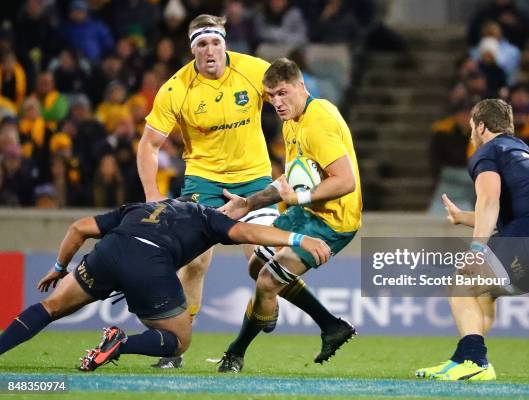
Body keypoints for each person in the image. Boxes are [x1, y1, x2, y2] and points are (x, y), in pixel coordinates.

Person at [0, 197, 330, 371]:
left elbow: (78, 228)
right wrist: (296, 238)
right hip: (150, 264)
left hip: (110, 252)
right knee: (178, 339)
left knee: (50, 307)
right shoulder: (207, 216)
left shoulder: (143, 206)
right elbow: (248, 233)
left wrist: (59, 267)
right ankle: (120, 344)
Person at [137, 13, 281, 369]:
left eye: (216, 41)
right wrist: (153, 195)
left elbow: (291, 100)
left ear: (225, 43)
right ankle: (175, 348)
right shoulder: (176, 88)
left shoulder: (254, 70)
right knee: (195, 261)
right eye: (202, 43)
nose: (210, 49)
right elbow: (148, 146)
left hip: (254, 178)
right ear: (193, 50)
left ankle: (267, 304)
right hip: (204, 179)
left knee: (261, 259)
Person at [216, 58, 362, 373]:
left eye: (283, 93)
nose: (277, 103)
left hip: (332, 221)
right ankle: (331, 326)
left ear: (301, 86)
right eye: (271, 96)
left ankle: (235, 353)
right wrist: (248, 204)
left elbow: (345, 181)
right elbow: (289, 182)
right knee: (256, 265)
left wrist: (299, 197)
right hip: (306, 210)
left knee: (268, 282)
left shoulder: (317, 123)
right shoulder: (293, 119)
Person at [416, 99, 529, 381]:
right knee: (483, 294)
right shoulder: (521, 153)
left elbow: (489, 201)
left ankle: (473, 360)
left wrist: (476, 250)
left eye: (471, 128)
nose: (471, 135)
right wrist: (462, 218)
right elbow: (507, 210)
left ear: (481, 126)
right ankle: (469, 358)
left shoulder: (489, 151)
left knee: (461, 283)